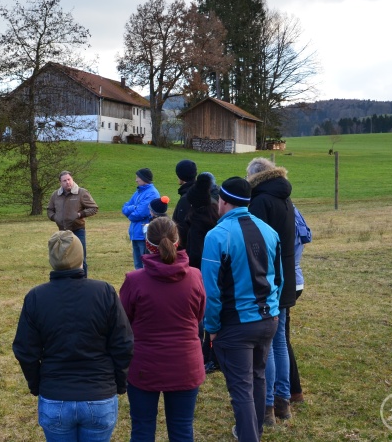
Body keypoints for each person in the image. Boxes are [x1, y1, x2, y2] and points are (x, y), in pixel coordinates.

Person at [13, 230, 133, 442]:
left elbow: (25, 350)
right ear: (81, 257)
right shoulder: (104, 292)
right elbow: (123, 343)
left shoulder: (37, 297)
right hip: (97, 396)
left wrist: (38, 384)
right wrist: (118, 382)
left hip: (58, 395)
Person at [202, 177, 281, 442]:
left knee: (241, 388)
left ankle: (249, 436)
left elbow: (210, 291)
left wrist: (210, 329)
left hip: (236, 324)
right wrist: (274, 310)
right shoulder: (269, 232)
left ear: (222, 202)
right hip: (268, 318)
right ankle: (254, 431)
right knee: (257, 378)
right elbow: (278, 278)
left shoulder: (216, 236)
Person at [119, 217, 205, 442]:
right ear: (177, 242)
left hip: (144, 365)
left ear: (147, 244)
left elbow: (124, 322)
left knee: (142, 428)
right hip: (185, 363)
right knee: (182, 429)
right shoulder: (195, 277)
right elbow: (199, 316)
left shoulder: (134, 281)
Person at [246, 157, 296, 424]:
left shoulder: (261, 202)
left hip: (270, 278)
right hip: (285, 274)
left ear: (254, 177)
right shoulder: (284, 197)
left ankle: (266, 407)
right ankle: (283, 402)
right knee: (280, 341)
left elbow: (257, 245)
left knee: (268, 343)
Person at [185, 174, 220, 374]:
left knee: (206, 315)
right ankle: (208, 352)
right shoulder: (211, 215)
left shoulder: (199, 222)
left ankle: (209, 354)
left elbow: (197, 252)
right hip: (205, 271)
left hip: (201, 272)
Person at [46, 171, 99, 277]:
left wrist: (80, 214)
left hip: (78, 230)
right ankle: (66, 280)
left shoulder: (81, 192)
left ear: (72, 179)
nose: (67, 182)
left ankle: (83, 281)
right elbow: (49, 210)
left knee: (80, 258)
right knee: (62, 258)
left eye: (69, 179)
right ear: (60, 183)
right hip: (62, 232)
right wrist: (55, 217)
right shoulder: (55, 195)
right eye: (64, 181)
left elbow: (94, 208)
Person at [289, 205, 311, 404]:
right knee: (280, 339)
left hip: (287, 279)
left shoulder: (271, 207)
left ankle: (290, 391)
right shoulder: (292, 209)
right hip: (296, 279)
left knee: (277, 341)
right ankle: (293, 392)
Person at [122, 168, 160, 269]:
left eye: (138, 177)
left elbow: (139, 213)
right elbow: (125, 207)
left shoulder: (152, 193)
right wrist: (133, 207)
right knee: (137, 265)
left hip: (144, 235)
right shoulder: (138, 192)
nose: (136, 180)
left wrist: (131, 211)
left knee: (145, 265)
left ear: (144, 178)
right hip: (136, 234)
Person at [172, 159, 198, 249]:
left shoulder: (186, 199)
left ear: (180, 176)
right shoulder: (201, 193)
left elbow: (182, 229)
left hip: (187, 252)